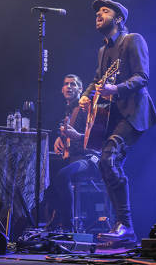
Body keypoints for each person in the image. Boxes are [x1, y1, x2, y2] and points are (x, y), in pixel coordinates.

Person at [79, 0, 156, 246]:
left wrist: (116, 89)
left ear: (119, 19)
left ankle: (126, 227)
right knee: (105, 165)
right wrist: (85, 95)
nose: (99, 15)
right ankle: (122, 227)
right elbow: (97, 79)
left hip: (134, 112)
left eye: (105, 11)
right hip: (112, 117)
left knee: (109, 159)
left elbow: (142, 77)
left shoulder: (133, 40)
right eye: (97, 13)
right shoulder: (103, 50)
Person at [49, 74, 101, 231]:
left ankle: (67, 227)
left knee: (63, 175)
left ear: (81, 89)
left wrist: (77, 136)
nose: (69, 87)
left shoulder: (87, 109)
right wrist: (60, 139)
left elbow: (98, 138)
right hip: (72, 158)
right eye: (66, 84)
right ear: (62, 89)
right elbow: (67, 135)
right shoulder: (67, 111)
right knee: (44, 172)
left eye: (73, 84)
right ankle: (53, 221)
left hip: (89, 158)